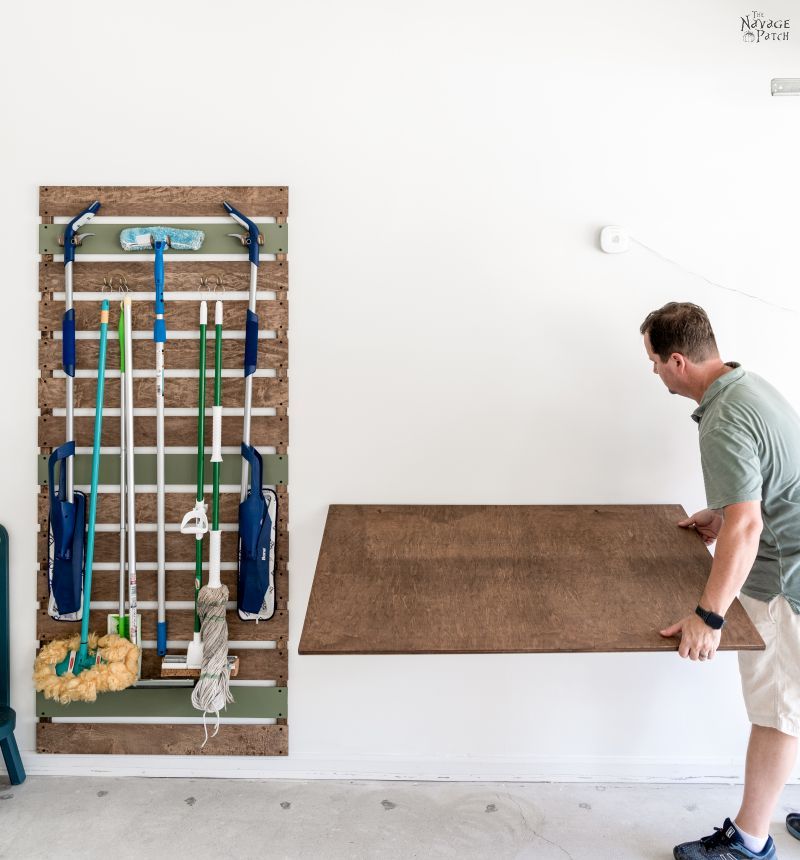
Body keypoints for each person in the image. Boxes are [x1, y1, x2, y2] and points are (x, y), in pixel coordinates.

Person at [641, 302, 800, 860]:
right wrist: (723, 512)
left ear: (677, 360)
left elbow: (751, 526)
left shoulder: (724, 418)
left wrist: (709, 617)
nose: (655, 372)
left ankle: (751, 842)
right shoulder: (747, 385)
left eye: (655, 361)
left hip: (787, 576)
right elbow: (762, 491)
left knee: (779, 709)